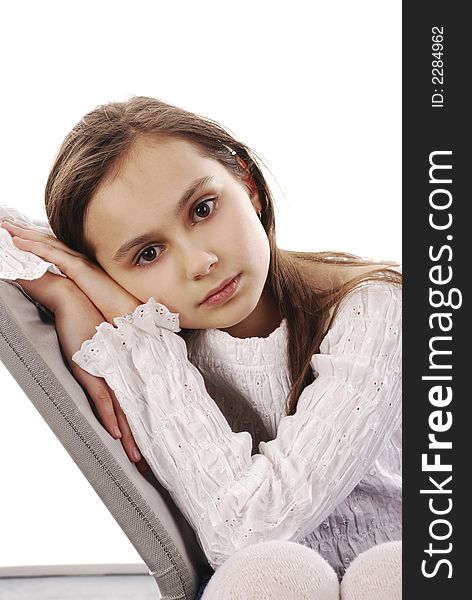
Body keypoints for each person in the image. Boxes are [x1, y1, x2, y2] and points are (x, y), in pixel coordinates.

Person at [0, 96, 401, 599]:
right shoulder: (153, 341)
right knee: (271, 574)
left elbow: (248, 529)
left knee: (391, 571)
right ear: (109, 273)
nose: (200, 261)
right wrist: (62, 287)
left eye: (203, 209)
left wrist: (129, 322)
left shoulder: (373, 307)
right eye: (148, 253)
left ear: (248, 185)